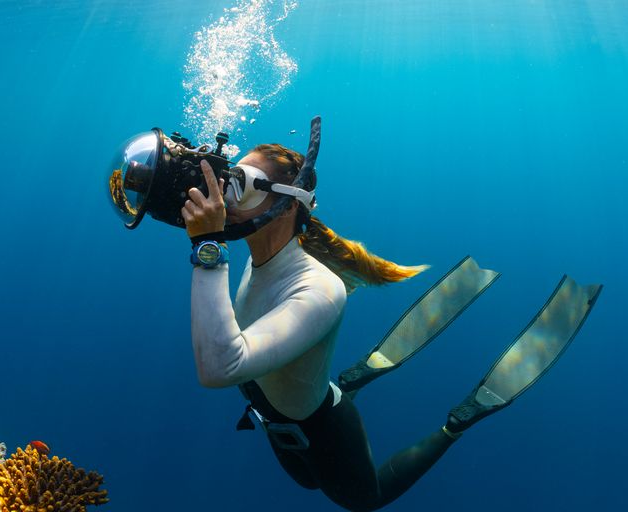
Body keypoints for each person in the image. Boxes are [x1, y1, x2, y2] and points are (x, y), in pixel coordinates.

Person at [181, 142, 601, 511]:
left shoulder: (320, 290)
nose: (223, 193)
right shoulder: (257, 263)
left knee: (365, 500)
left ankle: (457, 422)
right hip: (273, 414)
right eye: (226, 178)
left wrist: (207, 247)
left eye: (241, 181)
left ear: (288, 202)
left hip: (323, 428)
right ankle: (350, 379)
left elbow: (221, 366)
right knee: (307, 481)